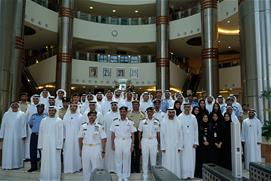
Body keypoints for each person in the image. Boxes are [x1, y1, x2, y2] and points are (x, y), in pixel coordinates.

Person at [78, 111, 107, 181]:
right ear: (87, 117)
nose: (92, 117)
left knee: (96, 168)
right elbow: (80, 138)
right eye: (90, 115)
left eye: (94, 115)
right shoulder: (83, 126)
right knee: (86, 167)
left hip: (96, 148)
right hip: (86, 147)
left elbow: (104, 139)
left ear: (96, 117)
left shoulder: (99, 126)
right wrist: (81, 149)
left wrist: (103, 150)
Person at [38, 106, 64, 181]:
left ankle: (55, 178)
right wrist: (40, 145)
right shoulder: (43, 120)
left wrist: (59, 145)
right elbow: (41, 133)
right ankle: (44, 178)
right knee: (45, 161)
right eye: (50, 110)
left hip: (55, 146)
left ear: (55, 111)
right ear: (48, 111)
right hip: (45, 145)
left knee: (55, 161)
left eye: (53, 110)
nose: (51, 112)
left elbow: (61, 134)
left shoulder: (59, 120)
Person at [110, 106, 136, 181]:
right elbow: (112, 134)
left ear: (126, 112)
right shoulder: (115, 122)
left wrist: (133, 144)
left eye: (124, 112)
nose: (123, 113)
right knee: (118, 158)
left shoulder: (130, 122)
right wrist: (112, 144)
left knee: (126, 159)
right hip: (118, 141)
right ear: (119, 112)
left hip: (127, 141)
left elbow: (133, 134)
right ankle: (119, 175)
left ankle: (125, 175)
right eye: (121, 111)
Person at [0, 102, 26, 169]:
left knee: (16, 150)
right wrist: (1, 135)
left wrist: (24, 135)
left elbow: (23, 125)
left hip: (18, 136)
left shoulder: (22, 114)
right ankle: (7, 165)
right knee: (7, 150)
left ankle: (16, 165)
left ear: (18, 106)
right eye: (13, 105)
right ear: (11, 106)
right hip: (7, 136)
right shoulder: (6, 114)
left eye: (16, 105)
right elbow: (3, 125)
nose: (14, 106)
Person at [138, 107, 160, 180]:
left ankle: (154, 176)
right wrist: (139, 143)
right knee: (145, 159)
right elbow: (140, 133)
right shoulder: (142, 121)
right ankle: (145, 176)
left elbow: (158, 134)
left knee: (153, 160)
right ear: (146, 112)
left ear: (153, 112)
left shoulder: (157, 121)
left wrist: (158, 143)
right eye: (148, 111)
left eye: (151, 111)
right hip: (145, 140)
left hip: (153, 140)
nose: (150, 113)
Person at [178, 102, 199, 179]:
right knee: (183, 158)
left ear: (190, 108)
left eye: (188, 107)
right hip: (182, 142)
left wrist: (196, 142)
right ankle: (183, 175)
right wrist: (180, 142)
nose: (187, 109)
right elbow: (178, 131)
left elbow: (196, 130)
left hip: (191, 142)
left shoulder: (193, 117)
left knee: (191, 158)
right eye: (186, 107)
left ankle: (190, 175)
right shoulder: (179, 117)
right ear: (183, 108)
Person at [160, 108, 182, 178]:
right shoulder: (163, 122)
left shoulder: (178, 122)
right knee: (167, 161)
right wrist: (163, 147)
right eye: (170, 112)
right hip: (167, 146)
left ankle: (176, 176)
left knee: (176, 162)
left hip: (176, 146)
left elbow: (181, 135)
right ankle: (166, 177)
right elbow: (162, 135)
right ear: (167, 113)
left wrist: (180, 146)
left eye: (173, 112)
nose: (171, 114)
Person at [63, 102, 84, 173]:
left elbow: (82, 128)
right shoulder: (66, 116)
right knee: (68, 152)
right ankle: (68, 168)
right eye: (71, 106)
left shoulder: (80, 116)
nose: (72, 107)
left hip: (77, 138)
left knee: (77, 152)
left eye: (74, 106)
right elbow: (63, 128)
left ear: (77, 107)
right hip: (68, 138)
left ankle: (77, 167)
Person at [127, 100, 145, 173]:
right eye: (134, 104)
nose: (135, 106)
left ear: (139, 105)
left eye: (137, 104)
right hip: (130, 134)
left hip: (139, 134)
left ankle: (137, 168)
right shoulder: (128, 114)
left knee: (138, 152)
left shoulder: (143, 114)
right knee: (130, 152)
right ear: (132, 105)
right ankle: (130, 168)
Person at [27, 103, 47, 172]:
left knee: (42, 151)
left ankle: (43, 166)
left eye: (41, 108)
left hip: (43, 136)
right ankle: (33, 166)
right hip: (34, 135)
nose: (39, 109)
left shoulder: (46, 116)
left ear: (43, 109)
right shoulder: (33, 116)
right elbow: (30, 125)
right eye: (38, 108)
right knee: (33, 151)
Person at [103, 101, 119, 173]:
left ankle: (116, 168)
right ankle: (108, 168)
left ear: (117, 106)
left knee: (117, 152)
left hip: (118, 137)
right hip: (108, 137)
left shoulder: (119, 114)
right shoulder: (107, 115)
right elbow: (104, 126)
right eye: (112, 105)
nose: (113, 106)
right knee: (109, 152)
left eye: (115, 105)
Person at [195, 114, 213, 178]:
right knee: (201, 160)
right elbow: (198, 135)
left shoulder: (210, 125)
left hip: (209, 146)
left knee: (208, 160)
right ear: (202, 118)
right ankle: (200, 174)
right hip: (201, 146)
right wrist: (203, 141)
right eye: (204, 117)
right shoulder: (199, 125)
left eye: (206, 117)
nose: (205, 118)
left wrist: (209, 142)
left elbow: (212, 135)